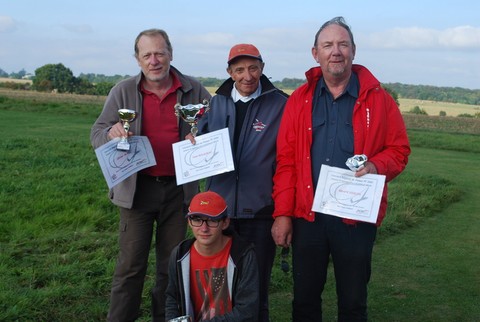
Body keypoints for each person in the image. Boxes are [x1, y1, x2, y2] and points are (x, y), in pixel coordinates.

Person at [271, 17, 410, 321]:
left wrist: (376, 166)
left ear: (353, 51)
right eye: (328, 45)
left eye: (342, 44)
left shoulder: (380, 100)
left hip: (356, 218)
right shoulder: (298, 100)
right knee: (304, 302)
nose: (336, 51)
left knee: (353, 303)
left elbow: (400, 151)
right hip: (309, 217)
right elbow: (286, 162)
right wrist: (282, 214)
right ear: (315, 53)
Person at [90, 28, 211, 322]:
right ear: (137, 59)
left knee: (170, 268)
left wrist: (203, 139)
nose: (154, 61)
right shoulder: (122, 91)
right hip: (137, 191)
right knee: (130, 267)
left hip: (178, 193)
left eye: (159, 53)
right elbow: (96, 133)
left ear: (170, 53)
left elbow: (216, 130)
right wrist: (111, 132)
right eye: (147, 55)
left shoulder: (194, 90)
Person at [188, 43, 288, 321]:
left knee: (256, 289)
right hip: (220, 214)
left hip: (260, 212)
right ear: (230, 72)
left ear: (262, 69)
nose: (247, 76)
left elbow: (287, 160)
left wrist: (282, 211)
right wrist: (191, 144)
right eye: (240, 69)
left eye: (253, 68)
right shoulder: (213, 103)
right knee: (219, 288)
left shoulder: (281, 104)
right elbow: (199, 143)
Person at [165, 191, 259, 321]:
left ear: (225, 223)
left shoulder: (243, 255)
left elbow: (247, 310)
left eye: (212, 220)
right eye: (197, 220)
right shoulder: (180, 255)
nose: (204, 228)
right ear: (189, 222)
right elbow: (172, 298)